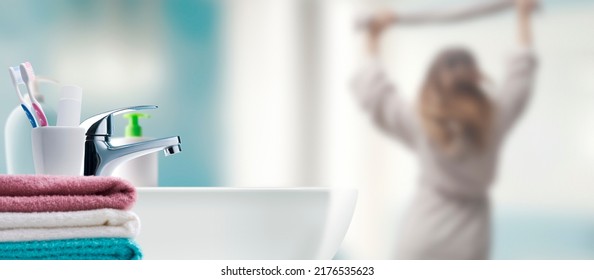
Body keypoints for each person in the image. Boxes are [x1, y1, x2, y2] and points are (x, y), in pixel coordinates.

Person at [351, 0, 538, 259]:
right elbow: (521, 75)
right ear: (477, 78)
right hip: (468, 243)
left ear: (431, 83)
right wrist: (523, 17)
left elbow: (376, 93)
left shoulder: (420, 121)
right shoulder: (494, 119)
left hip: (420, 239)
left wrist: (373, 38)